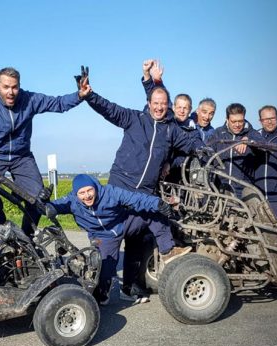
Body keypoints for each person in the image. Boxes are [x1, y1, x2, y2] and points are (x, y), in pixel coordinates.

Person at [78, 67, 196, 298]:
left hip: (145, 191)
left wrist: (208, 150)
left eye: (163, 104)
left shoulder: (171, 130)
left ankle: (130, 286)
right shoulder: (134, 119)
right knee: (112, 240)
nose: (159, 107)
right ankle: (100, 291)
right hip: (121, 187)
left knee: (139, 238)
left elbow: (192, 145)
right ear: (148, 103)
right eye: (155, 103)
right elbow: (108, 108)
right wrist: (89, 95)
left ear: (168, 106)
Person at [0, 67, 90, 237]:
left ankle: (26, 237)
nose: (11, 92)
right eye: (6, 87)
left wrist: (79, 95)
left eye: (15, 87)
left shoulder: (29, 99)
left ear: (19, 86)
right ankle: (2, 234)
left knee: (39, 197)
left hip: (21, 157)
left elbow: (57, 103)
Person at [47, 174, 175, 305]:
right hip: (103, 236)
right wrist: (44, 203)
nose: (87, 196)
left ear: (95, 187)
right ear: (76, 194)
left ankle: (167, 251)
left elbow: (135, 198)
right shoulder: (71, 201)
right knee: (103, 271)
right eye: (82, 193)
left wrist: (158, 203)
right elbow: (50, 208)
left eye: (89, 190)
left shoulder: (109, 192)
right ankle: (102, 294)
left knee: (153, 212)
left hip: (123, 223)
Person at [141, 60, 201, 182]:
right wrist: (151, 78)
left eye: (185, 108)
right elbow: (156, 96)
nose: (182, 111)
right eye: (179, 107)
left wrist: (170, 163)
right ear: (173, 107)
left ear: (190, 110)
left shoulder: (193, 132)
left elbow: (189, 153)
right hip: (155, 171)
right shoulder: (166, 119)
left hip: (177, 177)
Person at [207, 103, 261, 197]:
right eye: (233, 121)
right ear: (227, 119)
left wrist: (249, 140)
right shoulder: (218, 133)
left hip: (243, 192)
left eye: (240, 121)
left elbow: (263, 144)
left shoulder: (252, 133)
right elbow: (207, 154)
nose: (237, 125)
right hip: (220, 190)